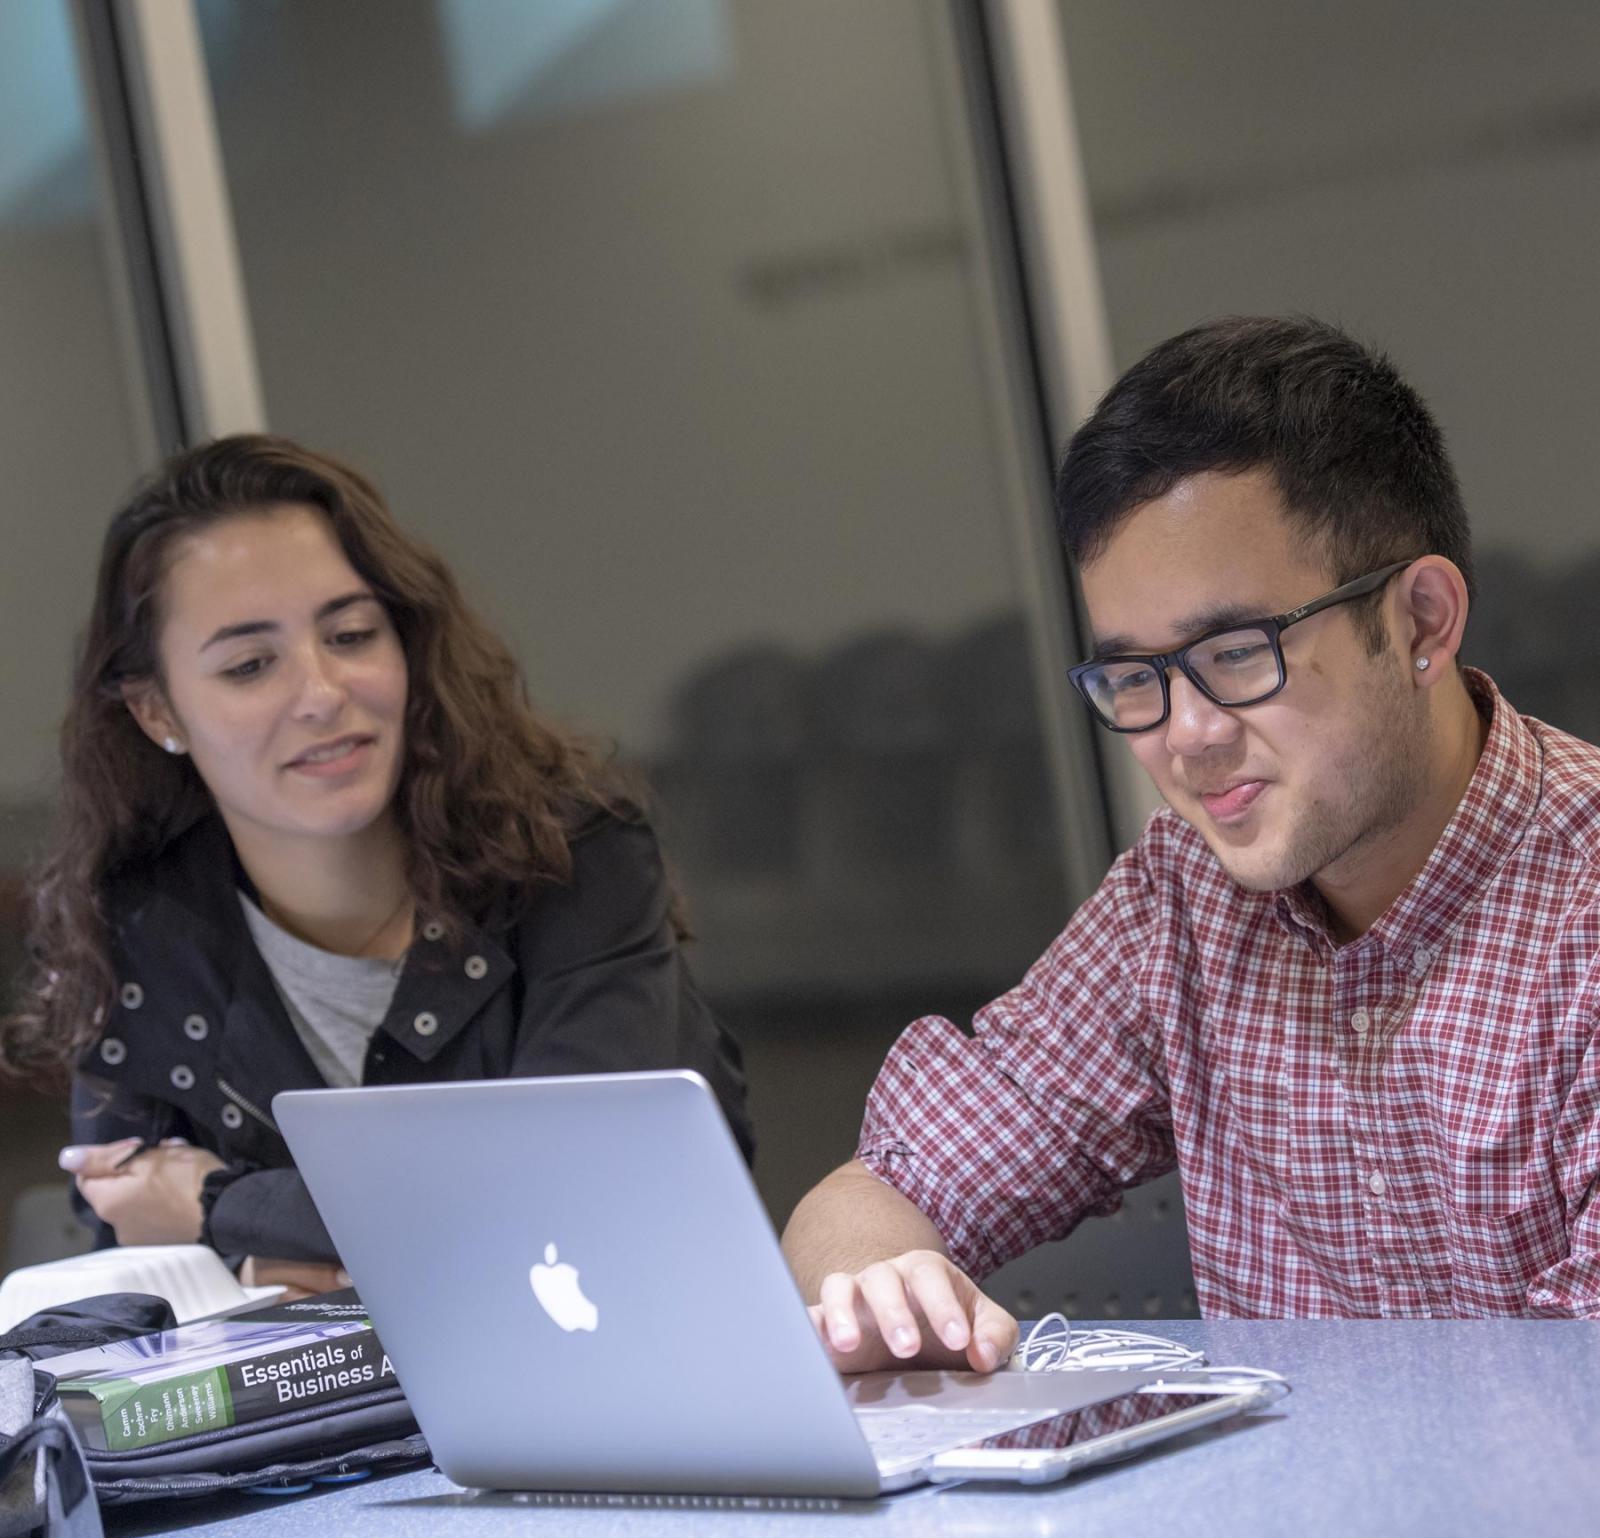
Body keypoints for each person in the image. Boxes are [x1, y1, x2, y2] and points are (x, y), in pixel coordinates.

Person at [783, 314, 1600, 1368]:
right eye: (1136, 675)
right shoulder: (1181, 898)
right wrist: (885, 1290)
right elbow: (873, 1190)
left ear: (1422, 623)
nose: (1186, 735)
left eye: (1236, 650)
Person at [1, 436, 751, 1299]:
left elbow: (568, 1199)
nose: (321, 693)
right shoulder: (137, 921)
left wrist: (219, 1202)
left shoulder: (571, 854)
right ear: (158, 709)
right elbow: (131, 1245)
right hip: (314, 1427)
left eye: (351, 634)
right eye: (250, 665)